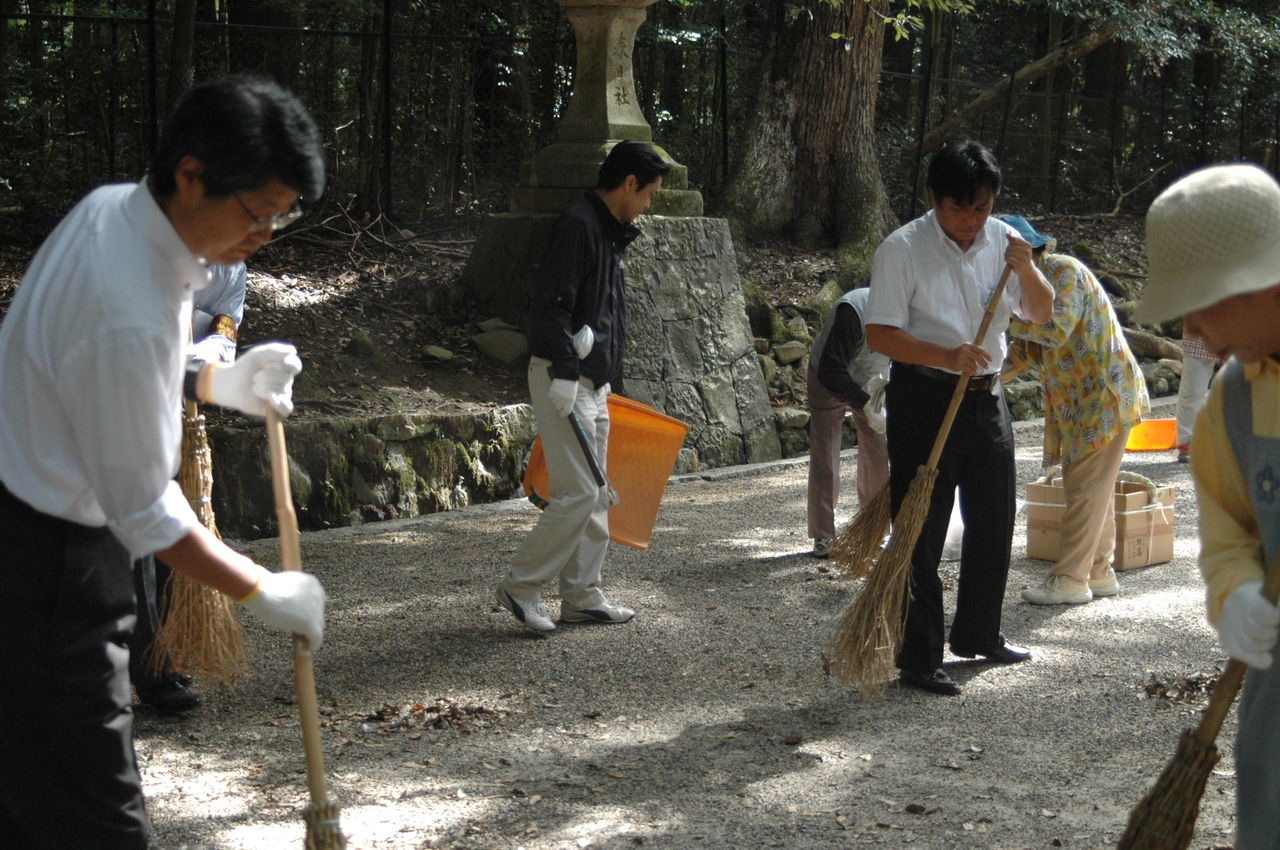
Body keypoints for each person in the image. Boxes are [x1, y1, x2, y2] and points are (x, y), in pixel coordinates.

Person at [0, 76, 327, 849]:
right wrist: (260, 587)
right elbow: (144, 509)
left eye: (280, 217)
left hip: (26, 520)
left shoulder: (113, 209)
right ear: (190, 174)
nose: (264, 235)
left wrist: (214, 378)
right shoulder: (128, 300)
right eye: (256, 212)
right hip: (48, 567)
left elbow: (103, 367)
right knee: (96, 823)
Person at [865, 140, 1054, 696]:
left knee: (994, 515)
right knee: (920, 526)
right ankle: (918, 657)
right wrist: (945, 355)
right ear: (933, 199)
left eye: (981, 208)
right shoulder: (901, 249)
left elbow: (1039, 313)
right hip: (925, 397)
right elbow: (880, 334)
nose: (970, 222)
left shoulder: (1005, 241)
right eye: (958, 208)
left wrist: (1030, 269)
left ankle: (979, 633)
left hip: (986, 396)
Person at [1134, 161, 1280, 850]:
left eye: (1203, 303)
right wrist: (1239, 590)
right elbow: (1227, 533)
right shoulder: (1233, 399)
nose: (1191, 330)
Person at [494, 141, 670, 633]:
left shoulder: (607, 231)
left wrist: (594, 376)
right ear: (629, 183)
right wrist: (568, 373)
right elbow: (552, 304)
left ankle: (582, 595)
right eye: (649, 193)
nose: (649, 204)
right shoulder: (578, 226)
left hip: (591, 381)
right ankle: (522, 586)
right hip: (564, 378)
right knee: (580, 491)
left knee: (595, 491)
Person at [998, 215, 1150, 605]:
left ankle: (1070, 579)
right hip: (1084, 402)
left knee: (1084, 487)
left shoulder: (1062, 270)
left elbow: (1055, 327)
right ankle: (1098, 571)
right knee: (1089, 487)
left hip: (1103, 394)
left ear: (1025, 252)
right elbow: (1025, 351)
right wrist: (986, 373)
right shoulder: (1025, 292)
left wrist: (1006, 323)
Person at [129, 260, 249, 714]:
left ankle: (162, 654)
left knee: (171, 520)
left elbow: (225, 319)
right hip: (114, 399)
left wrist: (212, 355)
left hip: (174, 405)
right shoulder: (141, 243)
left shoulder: (230, 263)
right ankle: (150, 668)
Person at [806, 287, 890, 558]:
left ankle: (873, 529)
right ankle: (823, 536)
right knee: (826, 452)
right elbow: (832, 371)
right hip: (826, 375)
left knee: (879, 449)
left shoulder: (914, 312)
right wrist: (862, 402)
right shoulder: (852, 311)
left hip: (871, 377)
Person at [1174, 333, 1222, 463]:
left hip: (1242, 323)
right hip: (1200, 329)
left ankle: (1245, 441)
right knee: (1192, 390)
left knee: (1247, 385)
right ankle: (1188, 443)